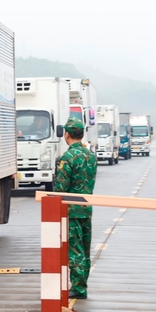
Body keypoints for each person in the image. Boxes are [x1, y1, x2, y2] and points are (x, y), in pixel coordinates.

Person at [54, 118, 97, 300]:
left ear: (67, 134)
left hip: (71, 211)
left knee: (75, 250)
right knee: (85, 250)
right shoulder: (90, 156)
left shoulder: (68, 157)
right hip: (86, 208)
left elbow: (60, 188)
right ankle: (82, 285)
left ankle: (78, 289)